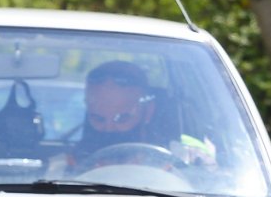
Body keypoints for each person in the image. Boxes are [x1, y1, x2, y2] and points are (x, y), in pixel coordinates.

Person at [66, 59, 214, 169]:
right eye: (98, 118)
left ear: (148, 111)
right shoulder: (67, 165)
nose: (109, 129)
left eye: (122, 118)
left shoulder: (183, 160)